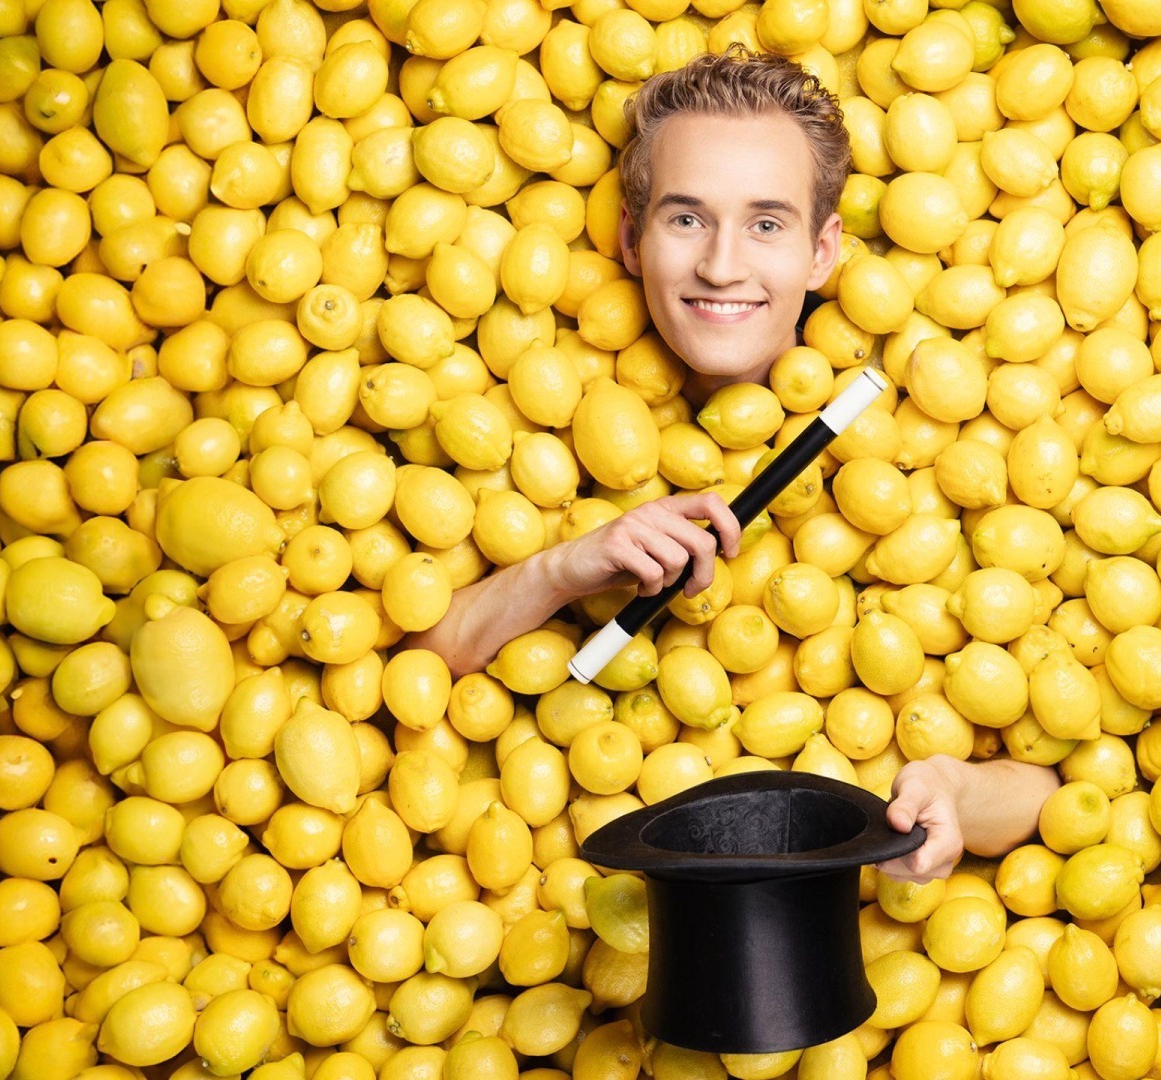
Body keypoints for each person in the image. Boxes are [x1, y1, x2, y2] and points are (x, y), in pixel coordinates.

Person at [403, 46, 1058, 884]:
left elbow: (1052, 783)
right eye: (685, 219)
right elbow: (412, 679)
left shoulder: (940, 433)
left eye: (766, 224)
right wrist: (565, 568)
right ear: (630, 242)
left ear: (823, 253)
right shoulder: (523, 413)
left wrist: (950, 791)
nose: (720, 263)